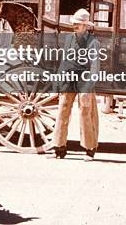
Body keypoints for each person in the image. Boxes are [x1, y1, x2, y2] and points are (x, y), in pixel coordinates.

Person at [52, 8, 100, 161]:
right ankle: (59, 147)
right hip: (68, 78)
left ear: (86, 26)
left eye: (78, 24)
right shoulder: (68, 39)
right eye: (74, 24)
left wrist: (88, 87)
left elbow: (95, 65)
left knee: (85, 112)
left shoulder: (93, 43)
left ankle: (89, 148)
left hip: (84, 80)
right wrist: (59, 79)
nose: (75, 26)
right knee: (63, 110)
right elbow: (64, 61)